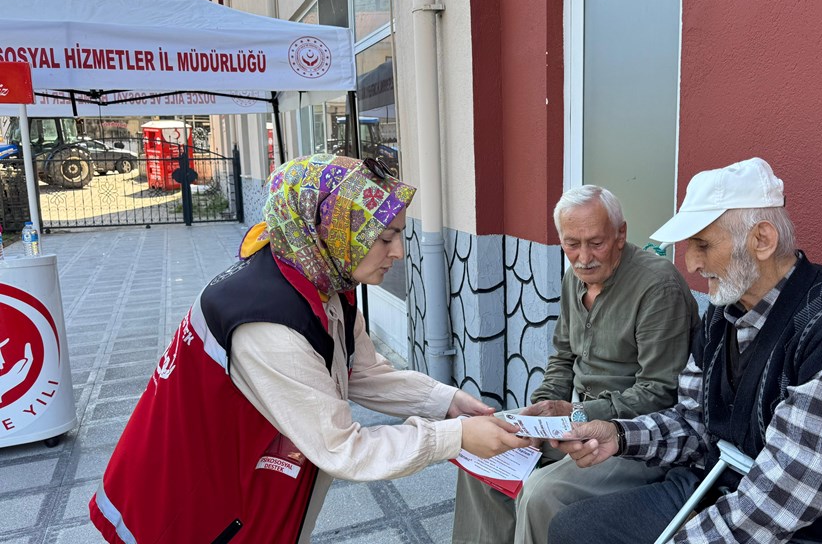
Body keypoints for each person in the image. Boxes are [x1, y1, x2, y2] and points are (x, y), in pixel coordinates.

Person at [89, 154, 530, 544]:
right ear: (332, 229)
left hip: (239, 482)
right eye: (385, 237)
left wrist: (447, 402)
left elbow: (361, 371)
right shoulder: (267, 324)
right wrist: (455, 437)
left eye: (399, 234)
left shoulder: (321, 278)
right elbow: (342, 449)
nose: (398, 251)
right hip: (189, 503)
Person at [549, 157, 822, 544]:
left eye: (703, 245)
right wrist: (619, 435)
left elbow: (780, 501)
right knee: (572, 528)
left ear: (762, 240)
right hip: (718, 487)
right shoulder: (724, 313)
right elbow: (693, 423)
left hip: (817, 530)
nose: (691, 263)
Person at [452, 185, 700, 544]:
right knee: (480, 448)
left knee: (541, 494)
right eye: (572, 244)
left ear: (620, 235)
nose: (584, 257)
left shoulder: (658, 287)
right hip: (576, 421)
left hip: (633, 437)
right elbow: (563, 356)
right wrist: (540, 414)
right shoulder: (576, 278)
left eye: (596, 243)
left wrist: (576, 413)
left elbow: (659, 393)